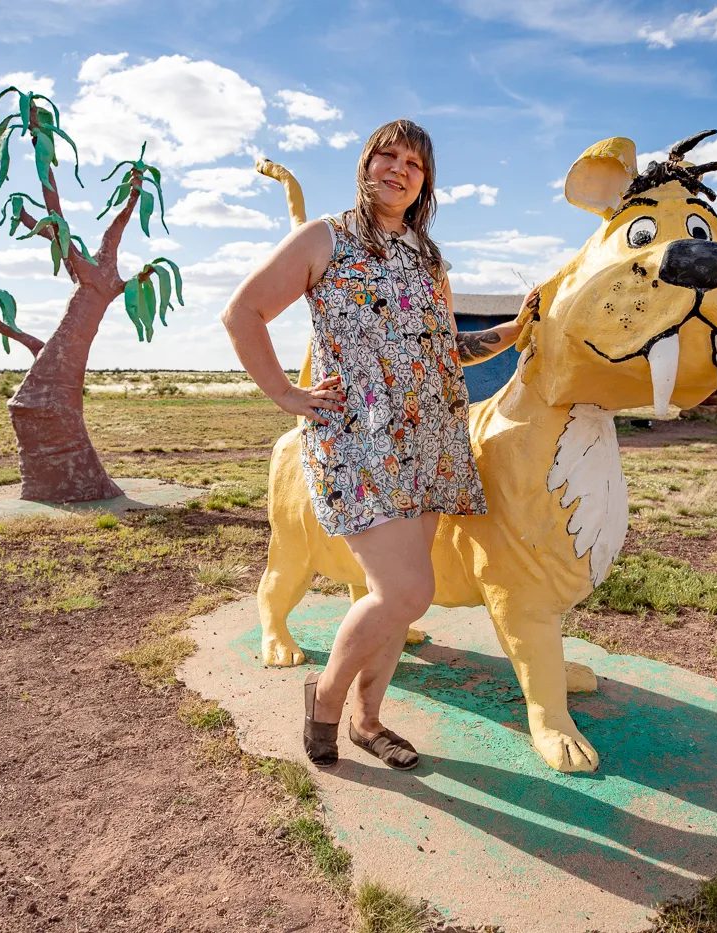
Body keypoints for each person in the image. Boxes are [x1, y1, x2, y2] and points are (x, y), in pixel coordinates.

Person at [220, 120, 522, 770]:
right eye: (387, 154)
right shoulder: (324, 238)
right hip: (356, 445)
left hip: (428, 443)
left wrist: (512, 329)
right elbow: (242, 312)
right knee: (407, 592)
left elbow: (446, 350)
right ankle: (325, 696)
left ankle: (368, 719)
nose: (399, 168)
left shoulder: (428, 257)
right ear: (365, 164)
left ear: (425, 182)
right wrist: (285, 394)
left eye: (414, 161)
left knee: (392, 595)